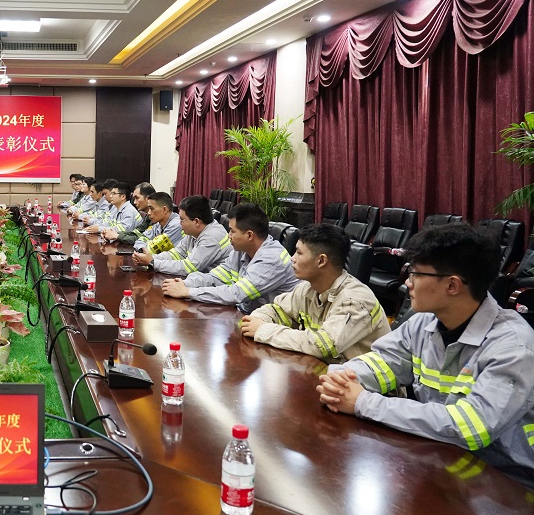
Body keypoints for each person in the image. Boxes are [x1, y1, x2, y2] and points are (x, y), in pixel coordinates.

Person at [317, 223, 534, 488]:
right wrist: (340, 379)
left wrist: (363, 402)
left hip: (507, 481)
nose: (407, 282)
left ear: (452, 285)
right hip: (441, 456)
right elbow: (382, 363)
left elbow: (471, 427)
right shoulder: (423, 323)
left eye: (415, 273)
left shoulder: (513, 346)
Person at [241, 223, 389, 361]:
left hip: (365, 380)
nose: (292, 259)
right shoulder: (307, 288)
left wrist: (263, 330)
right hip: (328, 371)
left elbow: (321, 346)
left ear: (321, 261)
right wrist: (256, 321)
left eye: (299, 253)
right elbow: (277, 310)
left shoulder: (355, 301)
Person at [162, 203, 299, 313]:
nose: (228, 235)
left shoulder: (271, 259)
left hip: (274, 325)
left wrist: (188, 292)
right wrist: (186, 283)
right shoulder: (241, 250)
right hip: (246, 315)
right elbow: (216, 277)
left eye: (232, 231)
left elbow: (236, 294)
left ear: (249, 235)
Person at [134, 195, 228, 276]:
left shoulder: (212, 237)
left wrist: (153, 262)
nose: (180, 223)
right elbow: (176, 254)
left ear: (196, 221)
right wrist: (149, 258)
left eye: (182, 219)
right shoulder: (193, 233)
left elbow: (188, 267)